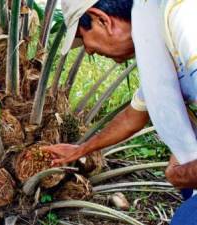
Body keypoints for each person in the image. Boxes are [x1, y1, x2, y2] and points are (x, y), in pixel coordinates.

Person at [42, 0, 197, 224]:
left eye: (83, 37)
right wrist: (80, 150)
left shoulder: (185, 20)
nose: (87, 49)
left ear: (103, 20)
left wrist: (181, 174)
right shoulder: (155, 36)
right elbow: (132, 116)